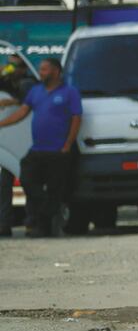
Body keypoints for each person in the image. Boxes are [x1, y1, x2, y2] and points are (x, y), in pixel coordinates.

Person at [0, 58, 82, 237]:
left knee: (55, 187)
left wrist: (68, 144)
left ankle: (44, 227)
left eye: (45, 69)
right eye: (41, 69)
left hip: (59, 150)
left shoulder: (69, 92)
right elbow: (23, 111)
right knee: (27, 178)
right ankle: (48, 206)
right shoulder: (36, 91)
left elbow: (76, 118)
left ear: (56, 71)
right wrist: (2, 123)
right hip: (38, 149)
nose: (41, 72)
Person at [0, 56, 37, 236]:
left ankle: (32, 222)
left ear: (23, 68)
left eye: (14, 65)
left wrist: (11, 102)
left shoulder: (28, 83)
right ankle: (3, 224)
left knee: (29, 183)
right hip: (10, 145)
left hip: (26, 144)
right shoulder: (11, 83)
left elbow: (26, 103)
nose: (10, 68)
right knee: (4, 185)